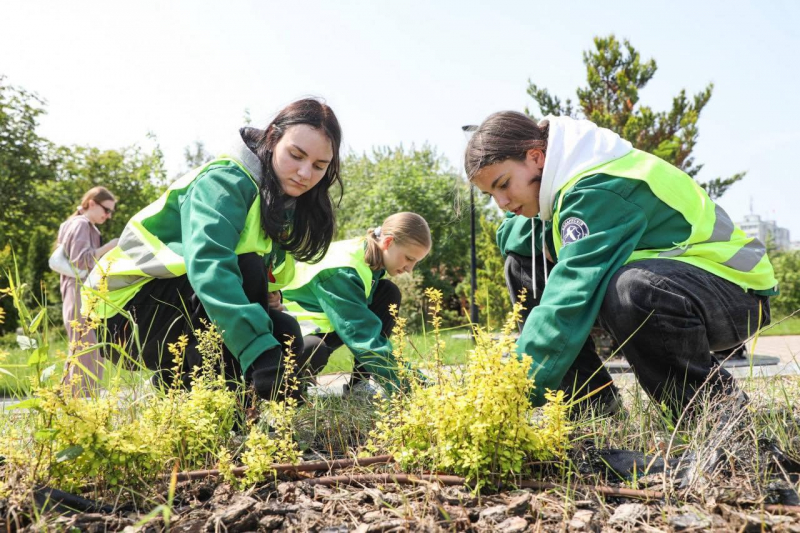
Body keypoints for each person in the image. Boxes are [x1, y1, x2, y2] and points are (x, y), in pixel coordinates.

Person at [465, 111, 777, 418]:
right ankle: (593, 407)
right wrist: (543, 238)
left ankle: (713, 411)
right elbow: (512, 234)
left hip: (736, 292)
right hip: (677, 287)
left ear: (536, 157)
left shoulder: (599, 187)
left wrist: (515, 388)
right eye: (490, 194)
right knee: (523, 262)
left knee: (633, 289)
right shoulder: (563, 180)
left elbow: (568, 299)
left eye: (503, 184)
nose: (502, 203)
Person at [82, 99, 342, 400]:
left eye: (319, 166)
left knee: (283, 329)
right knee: (246, 280)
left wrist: (270, 300)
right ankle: (225, 414)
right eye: (296, 155)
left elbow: (264, 276)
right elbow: (211, 267)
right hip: (121, 314)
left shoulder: (278, 200)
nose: (305, 173)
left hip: (168, 305)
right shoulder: (225, 181)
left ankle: (181, 390)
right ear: (272, 138)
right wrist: (261, 354)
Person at [280, 212, 431, 395]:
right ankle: (282, 400)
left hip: (326, 326)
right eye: (409, 258)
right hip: (291, 336)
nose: (409, 269)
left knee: (388, 292)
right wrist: (416, 387)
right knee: (313, 350)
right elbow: (363, 336)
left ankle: (359, 388)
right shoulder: (343, 271)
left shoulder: (371, 257)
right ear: (388, 242)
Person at [57, 186, 119, 394]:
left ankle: (68, 402)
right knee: (89, 348)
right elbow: (81, 261)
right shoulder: (82, 224)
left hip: (76, 291)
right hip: (79, 292)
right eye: (106, 210)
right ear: (91, 203)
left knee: (81, 346)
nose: (108, 216)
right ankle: (83, 403)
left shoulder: (76, 224)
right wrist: (109, 247)